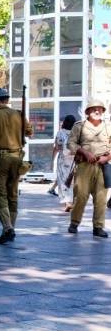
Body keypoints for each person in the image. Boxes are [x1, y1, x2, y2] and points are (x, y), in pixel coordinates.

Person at [0, 87, 32, 245]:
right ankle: (9, 230)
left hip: (0, 160)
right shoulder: (18, 114)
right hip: (17, 158)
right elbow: (30, 132)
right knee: (13, 195)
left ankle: (8, 228)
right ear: (7, 100)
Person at [67, 99, 110, 237]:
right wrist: (84, 152)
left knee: (101, 198)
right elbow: (71, 143)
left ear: (103, 111)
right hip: (84, 165)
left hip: (102, 166)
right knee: (80, 195)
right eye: (93, 109)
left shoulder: (108, 126)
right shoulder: (79, 126)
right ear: (87, 112)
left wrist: (108, 158)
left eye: (100, 109)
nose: (97, 111)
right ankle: (74, 222)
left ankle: (98, 227)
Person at [53, 115, 77, 211]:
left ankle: (67, 202)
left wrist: (53, 157)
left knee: (63, 180)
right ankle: (72, 201)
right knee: (73, 180)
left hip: (63, 159)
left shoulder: (60, 132)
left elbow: (57, 146)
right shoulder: (77, 132)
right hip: (75, 159)